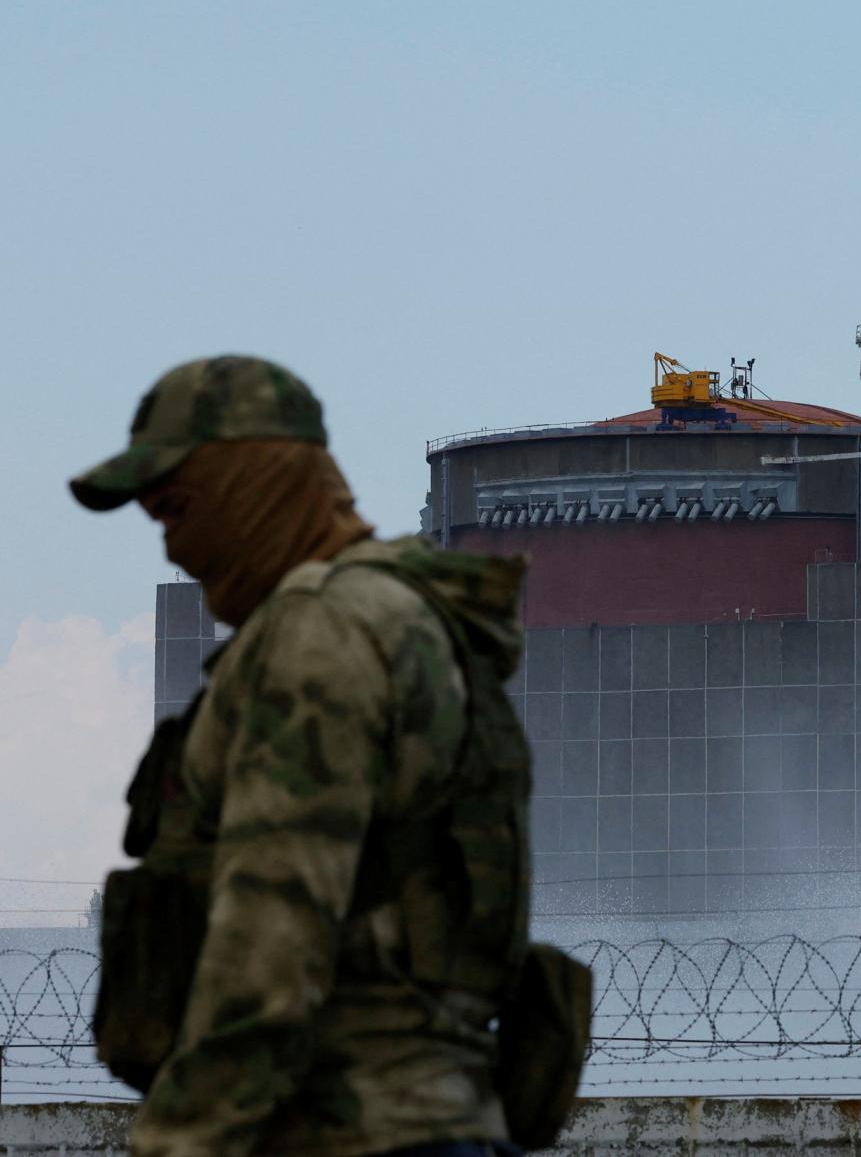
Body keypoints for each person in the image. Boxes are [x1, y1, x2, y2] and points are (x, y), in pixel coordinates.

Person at [70, 355, 532, 1157]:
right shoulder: (408, 618)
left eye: (178, 510)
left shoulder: (320, 632)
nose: (175, 548)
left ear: (255, 482)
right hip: (431, 1118)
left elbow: (271, 937)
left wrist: (183, 1139)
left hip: (340, 1129)